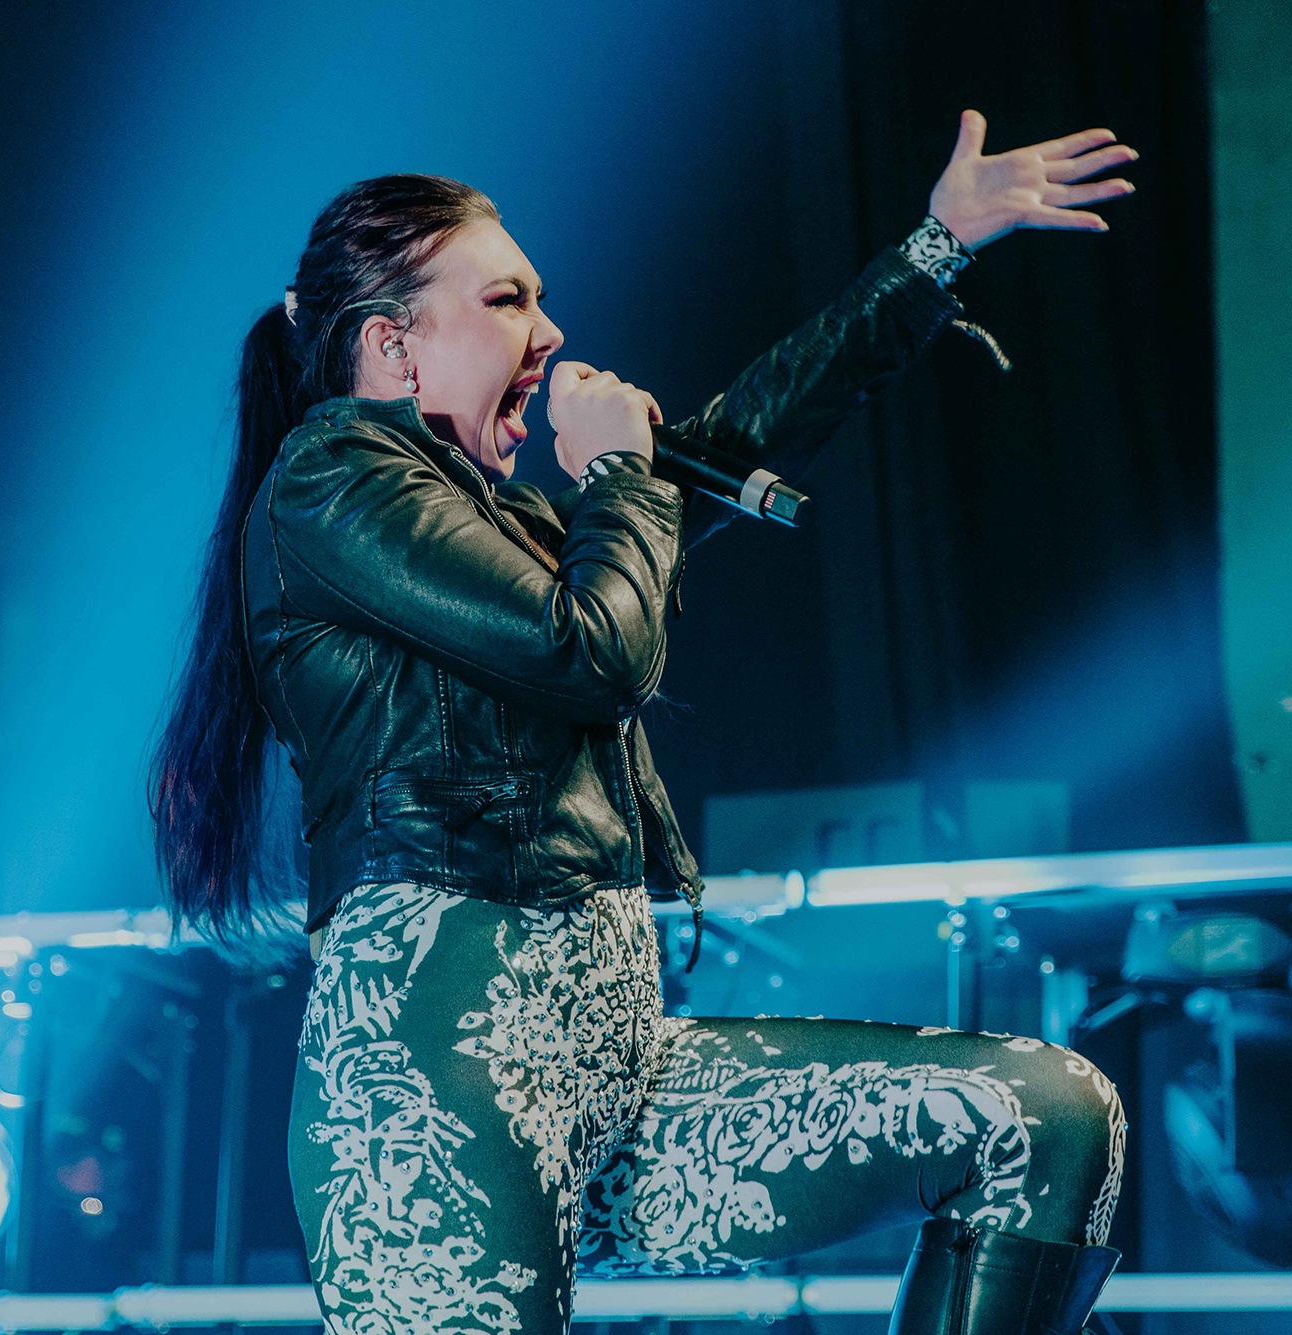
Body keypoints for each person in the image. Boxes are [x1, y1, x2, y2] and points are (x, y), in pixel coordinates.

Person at [153, 109, 1137, 1335]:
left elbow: (729, 444)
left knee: (1039, 1119)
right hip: (436, 1085)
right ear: (394, 345)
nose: (550, 333)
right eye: (507, 301)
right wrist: (619, 476)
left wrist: (931, 250)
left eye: (539, 299)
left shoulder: (505, 525)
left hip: (615, 1067)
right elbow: (595, 653)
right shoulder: (331, 478)